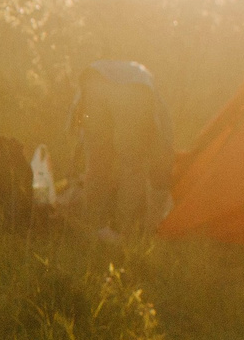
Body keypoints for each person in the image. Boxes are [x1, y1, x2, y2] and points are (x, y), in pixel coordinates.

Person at [66, 60, 174, 237]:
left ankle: (92, 224)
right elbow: (164, 139)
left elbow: (81, 132)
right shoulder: (150, 89)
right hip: (133, 91)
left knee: (96, 162)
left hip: (93, 82)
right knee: (132, 165)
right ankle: (125, 230)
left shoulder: (110, 69)